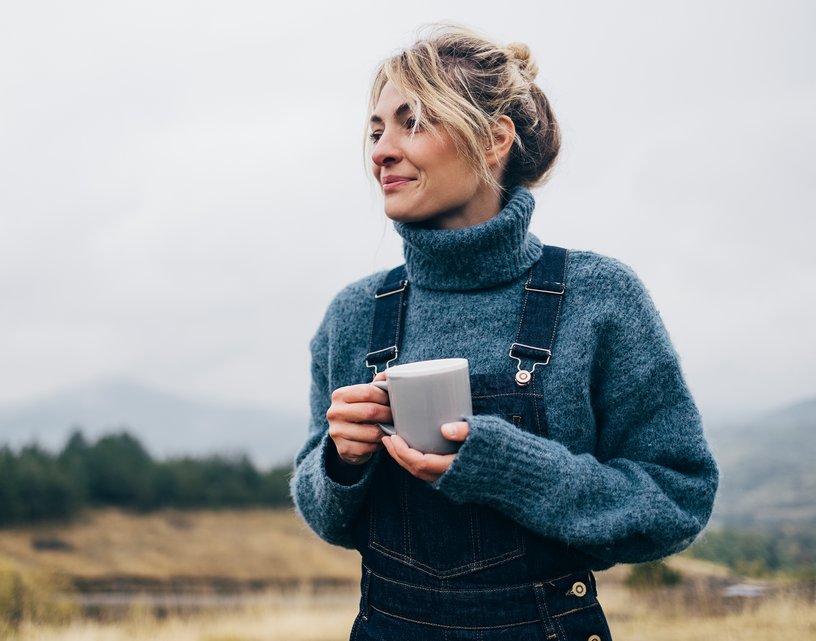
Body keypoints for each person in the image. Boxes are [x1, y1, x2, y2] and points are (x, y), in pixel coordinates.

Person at [291, 25, 718, 641]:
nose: (381, 150)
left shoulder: (599, 297)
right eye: (377, 128)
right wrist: (341, 462)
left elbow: (678, 501)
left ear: (493, 141)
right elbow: (325, 515)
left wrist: (508, 468)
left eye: (413, 122)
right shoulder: (355, 313)